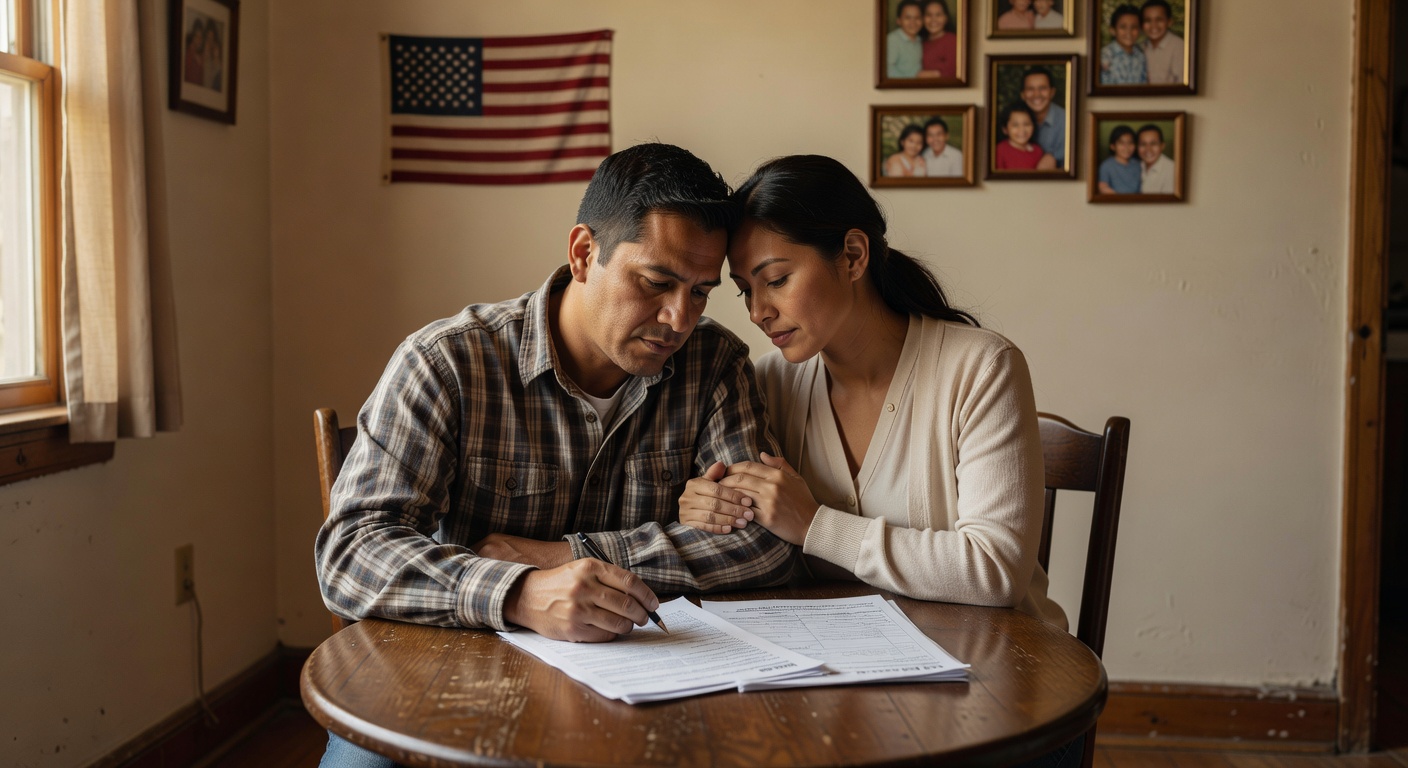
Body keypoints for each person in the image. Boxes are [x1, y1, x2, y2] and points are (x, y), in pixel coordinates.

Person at [315, 142, 798, 767]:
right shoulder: (448, 362)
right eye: (657, 282)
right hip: (447, 674)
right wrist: (518, 592)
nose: (680, 319)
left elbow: (766, 542)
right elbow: (350, 552)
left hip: (649, 679)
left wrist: (564, 558)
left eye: (702, 293)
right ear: (582, 253)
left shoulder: (713, 365)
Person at [677, 155, 1076, 768]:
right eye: (746, 290)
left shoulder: (981, 367)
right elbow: (752, 544)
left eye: (776, 279)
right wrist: (702, 503)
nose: (758, 311)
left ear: (854, 256)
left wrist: (815, 525)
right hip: (838, 687)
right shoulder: (768, 384)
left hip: (1001, 694)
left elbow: (996, 572)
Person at [1020, 67, 1066, 168]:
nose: (1037, 94)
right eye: (1030, 89)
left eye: (1042, 88)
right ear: (1023, 95)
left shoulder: (1066, 121)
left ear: (1052, 92)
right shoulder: (1015, 118)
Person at [994, 104, 1055, 171]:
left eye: (1026, 124)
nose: (1022, 130)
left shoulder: (1037, 150)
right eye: (1015, 125)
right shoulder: (1000, 150)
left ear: (1033, 126)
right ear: (1005, 129)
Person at [1100, 5, 1148, 85]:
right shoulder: (1105, 55)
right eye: (1123, 27)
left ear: (1140, 30)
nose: (1129, 32)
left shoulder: (1141, 56)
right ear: (1113, 30)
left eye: (1134, 27)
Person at [1141, 0, 1184, 84]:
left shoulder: (1179, 47)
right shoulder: (1141, 47)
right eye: (1148, 20)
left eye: (1159, 20)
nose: (1153, 25)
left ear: (1169, 22)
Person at [917, 0, 958, 79]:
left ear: (946, 18)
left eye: (938, 15)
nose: (933, 19)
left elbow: (953, 72)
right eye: (929, 15)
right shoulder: (919, 42)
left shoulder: (953, 41)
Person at [1097, 125, 1142, 194]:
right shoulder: (1107, 165)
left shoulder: (1138, 164)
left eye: (1130, 143)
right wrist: (1121, 200)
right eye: (1122, 143)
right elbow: (1103, 187)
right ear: (1113, 146)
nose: (1127, 147)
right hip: (1115, 202)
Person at [887, 0, 925, 79]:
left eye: (917, 17)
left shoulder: (920, 40)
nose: (913, 22)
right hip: (900, 88)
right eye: (908, 18)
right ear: (899, 21)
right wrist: (911, 81)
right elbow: (887, 69)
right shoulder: (892, 40)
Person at [1136, 124, 1176, 194]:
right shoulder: (1136, 166)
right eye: (1143, 144)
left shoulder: (1172, 170)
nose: (1148, 149)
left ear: (1162, 146)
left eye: (1153, 144)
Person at [182, 18, 205, 87]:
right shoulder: (187, 54)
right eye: (197, 37)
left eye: (201, 37)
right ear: (193, 37)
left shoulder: (200, 56)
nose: (199, 41)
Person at [203, 23, 223, 92]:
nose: (210, 42)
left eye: (212, 38)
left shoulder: (218, 61)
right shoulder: (204, 58)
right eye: (208, 38)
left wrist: (216, 59)